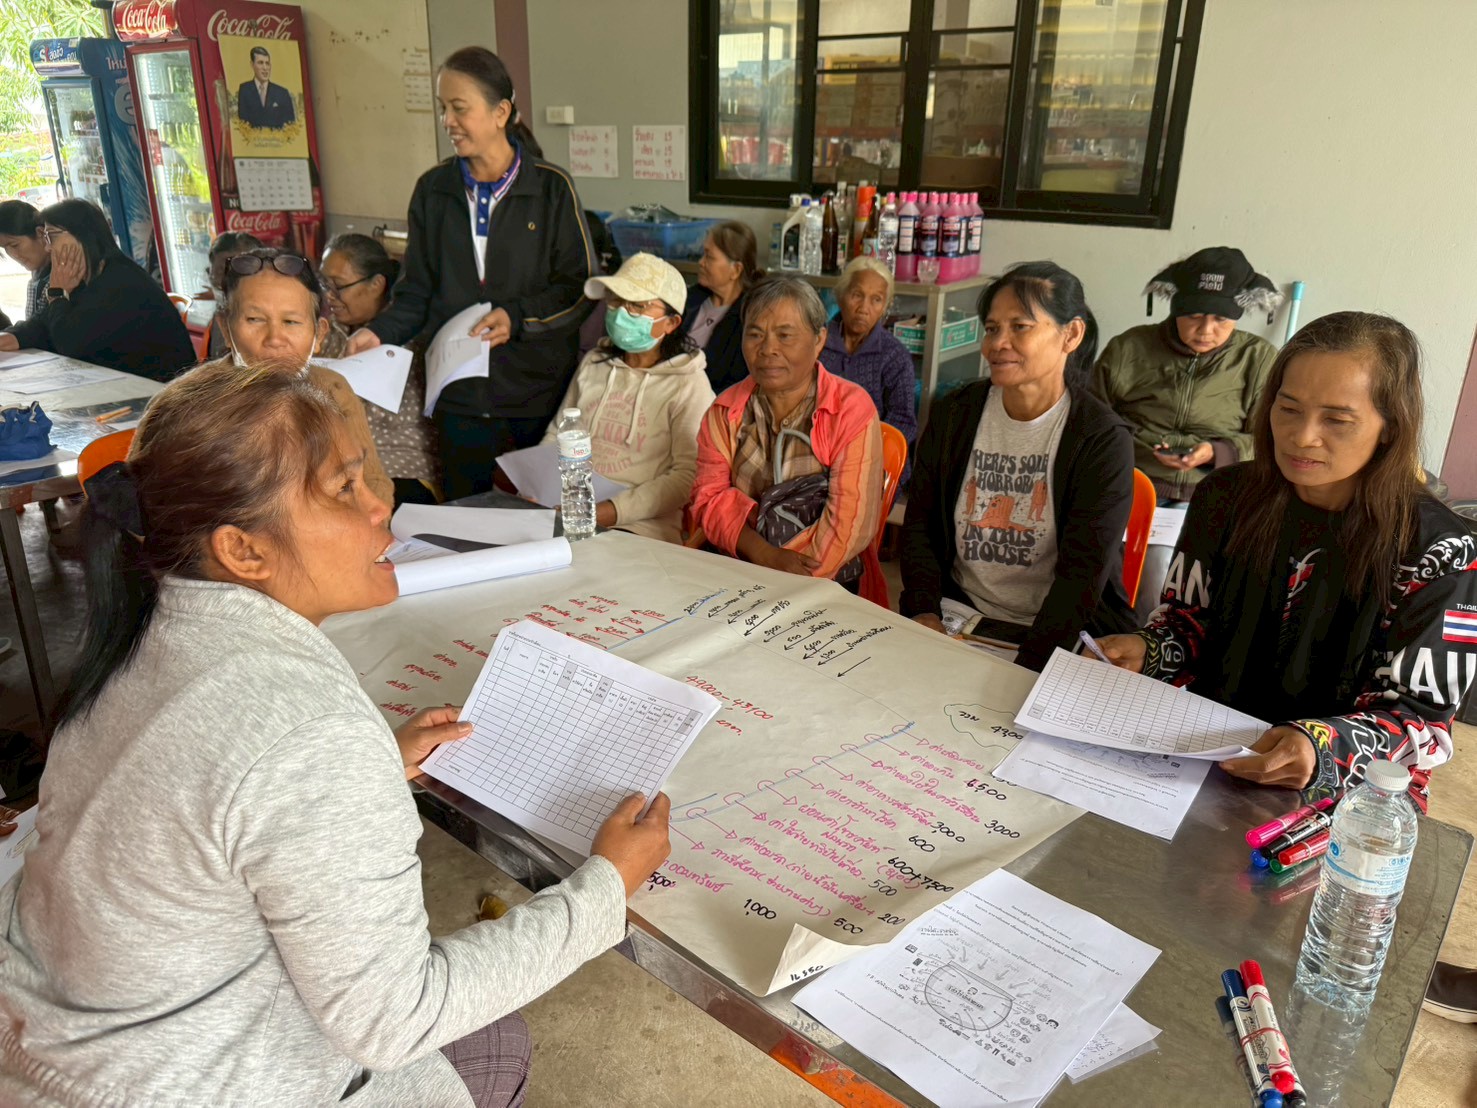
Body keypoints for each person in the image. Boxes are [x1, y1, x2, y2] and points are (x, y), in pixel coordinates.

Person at [0, 359, 671, 1105]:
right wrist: (604, 888)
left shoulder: (146, 637)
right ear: (243, 550)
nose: (382, 505)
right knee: (496, 1045)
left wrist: (371, 763)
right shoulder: (305, 730)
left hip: (69, 1042)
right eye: (345, 489)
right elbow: (395, 1019)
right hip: (169, 1081)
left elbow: (219, 800)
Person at [1093, 312, 1477, 814]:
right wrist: (1145, 651)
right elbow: (1185, 628)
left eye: (1336, 420)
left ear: (1390, 426)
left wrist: (1321, 747)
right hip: (1204, 752)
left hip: (1346, 796)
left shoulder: (1441, 549)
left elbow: (1422, 723)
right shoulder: (1223, 498)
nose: (1302, 436)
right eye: (1288, 409)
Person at [346, 47, 595, 501]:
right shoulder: (433, 191)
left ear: (501, 113)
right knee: (466, 516)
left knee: (539, 519)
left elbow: (578, 289)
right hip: (457, 394)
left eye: (459, 108)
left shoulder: (550, 188)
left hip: (535, 394)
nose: (448, 121)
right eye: (443, 108)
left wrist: (517, 317)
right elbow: (416, 291)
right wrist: (378, 332)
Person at [899, 261, 1136, 672]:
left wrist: (1028, 667)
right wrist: (923, 612)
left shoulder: (1101, 440)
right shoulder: (955, 415)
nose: (997, 343)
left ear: (1071, 335)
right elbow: (921, 526)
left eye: (1020, 327)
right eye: (992, 328)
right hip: (962, 615)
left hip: (1061, 633)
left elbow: (1082, 577)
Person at [689, 275, 886, 603]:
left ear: (819, 339)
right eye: (755, 334)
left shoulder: (850, 409)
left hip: (824, 583)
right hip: (739, 568)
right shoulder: (725, 411)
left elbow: (847, 528)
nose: (768, 349)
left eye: (785, 335)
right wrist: (765, 555)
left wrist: (782, 580)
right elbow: (708, 499)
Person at [540, 253, 714, 544]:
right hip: (566, 512)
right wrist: (537, 485)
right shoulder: (595, 363)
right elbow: (558, 433)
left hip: (639, 529)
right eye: (616, 301)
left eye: (637, 305)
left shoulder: (688, 384)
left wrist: (609, 512)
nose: (621, 312)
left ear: (671, 323)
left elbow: (687, 476)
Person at [1092, 246, 1281, 503]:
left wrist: (1217, 452)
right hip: (1130, 483)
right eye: (1193, 316)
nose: (1205, 330)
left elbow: (1270, 438)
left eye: (1221, 319)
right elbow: (1093, 421)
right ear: (1176, 309)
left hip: (1216, 492)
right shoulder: (1128, 348)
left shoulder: (1257, 358)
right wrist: (1140, 446)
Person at [213, 246, 394, 506]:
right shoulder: (192, 405)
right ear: (226, 329)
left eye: (291, 322)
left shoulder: (333, 390)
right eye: (254, 319)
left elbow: (374, 482)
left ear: (319, 334)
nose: (275, 339)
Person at [0, 199, 194, 380]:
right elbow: (44, 324)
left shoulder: (120, 281)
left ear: (80, 235)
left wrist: (57, 294)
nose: (48, 248)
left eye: (51, 236)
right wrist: (13, 336)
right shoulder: (88, 278)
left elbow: (71, 344)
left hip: (165, 393)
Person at [320, 233, 440, 504]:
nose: (329, 296)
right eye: (324, 284)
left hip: (400, 465)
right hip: (335, 467)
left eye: (338, 286)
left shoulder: (411, 343)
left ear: (376, 284)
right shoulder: (327, 335)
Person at [819, 255, 917, 481]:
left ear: (884, 307)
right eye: (857, 295)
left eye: (876, 300)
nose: (864, 308)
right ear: (841, 296)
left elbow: (903, 421)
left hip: (873, 463)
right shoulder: (817, 343)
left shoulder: (894, 356)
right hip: (818, 456)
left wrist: (861, 456)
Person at [680, 220, 763, 394]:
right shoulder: (689, 300)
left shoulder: (748, 320)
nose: (701, 262)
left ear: (736, 270)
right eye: (703, 254)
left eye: (709, 257)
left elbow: (735, 386)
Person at [204, 230, 262, 359]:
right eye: (222, 271)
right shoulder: (221, 315)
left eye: (241, 271)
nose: (230, 280)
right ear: (209, 274)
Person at [0, 201, 50, 327]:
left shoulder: (64, 276)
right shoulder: (38, 274)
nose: (12, 254)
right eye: (5, 248)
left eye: (14, 245)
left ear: (41, 234)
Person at [236, 45, 296, 130]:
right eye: (260, 63)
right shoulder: (245, 90)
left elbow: (290, 125)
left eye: (267, 63)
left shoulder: (282, 93)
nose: (265, 68)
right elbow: (242, 123)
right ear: (252, 65)